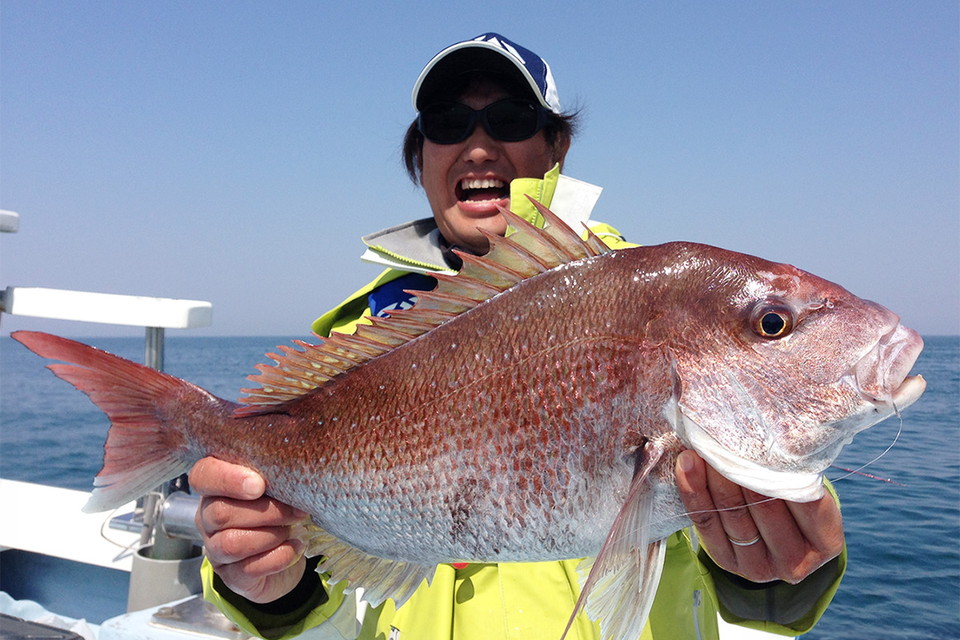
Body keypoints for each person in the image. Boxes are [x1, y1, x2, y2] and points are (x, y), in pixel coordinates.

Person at [190, 33, 846, 640]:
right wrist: (271, 591)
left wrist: (777, 575)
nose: (478, 146)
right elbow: (324, 613)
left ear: (556, 147)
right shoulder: (358, 339)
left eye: (509, 120)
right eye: (448, 123)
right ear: (421, 157)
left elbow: (765, 578)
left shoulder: (660, 306)